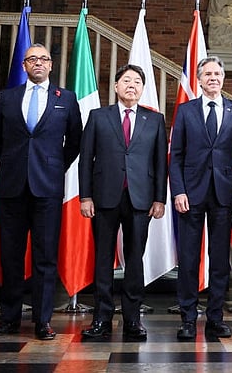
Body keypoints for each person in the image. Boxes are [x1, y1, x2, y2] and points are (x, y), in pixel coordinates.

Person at [0, 43, 83, 340]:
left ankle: (43, 321)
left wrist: (54, 166)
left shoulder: (66, 99)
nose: (38, 63)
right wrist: (18, 163)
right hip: (12, 187)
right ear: (24, 65)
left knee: (45, 258)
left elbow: (75, 142)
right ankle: (9, 319)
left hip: (48, 188)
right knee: (11, 256)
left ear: (51, 66)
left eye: (43, 59)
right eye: (32, 59)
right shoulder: (7, 97)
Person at [79, 64, 168, 342]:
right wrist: (85, 196)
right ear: (116, 86)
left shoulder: (154, 120)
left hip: (140, 199)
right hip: (104, 197)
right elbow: (86, 159)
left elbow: (160, 164)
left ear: (143, 89)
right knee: (103, 259)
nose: (132, 85)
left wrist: (159, 198)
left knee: (134, 260)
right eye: (126, 80)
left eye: (137, 81)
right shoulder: (98, 116)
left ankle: (133, 319)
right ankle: (101, 319)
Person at [170, 56, 232, 341]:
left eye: (218, 73)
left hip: (224, 194)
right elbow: (176, 155)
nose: (213, 78)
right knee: (189, 260)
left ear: (222, 78)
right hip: (190, 194)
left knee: (219, 261)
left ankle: (215, 319)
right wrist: (178, 190)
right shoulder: (185, 111)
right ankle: (188, 319)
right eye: (208, 74)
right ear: (199, 78)